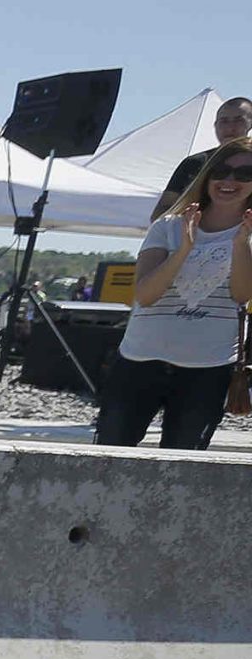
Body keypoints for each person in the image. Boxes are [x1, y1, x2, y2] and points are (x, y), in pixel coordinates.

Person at [98, 136, 252, 451]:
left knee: (185, 465)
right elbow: (146, 295)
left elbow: (241, 294)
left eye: (245, 173)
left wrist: (240, 245)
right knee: (107, 457)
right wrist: (184, 250)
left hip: (208, 366)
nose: (230, 180)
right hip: (141, 357)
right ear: (207, 175)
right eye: (221, 171)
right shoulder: (167, 226)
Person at [156, 95, 251, 216]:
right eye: (224, 121)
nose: (230, 127)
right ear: (215, 125)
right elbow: (162, 210)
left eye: (239, 121)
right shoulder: (195, 163)